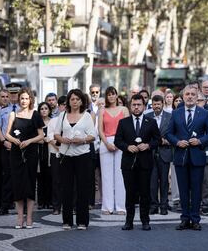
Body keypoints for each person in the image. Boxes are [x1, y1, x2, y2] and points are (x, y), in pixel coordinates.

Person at [166, 85, 208, 231]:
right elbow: (168, 133)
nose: (190, 97)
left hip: (197, 156)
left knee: (196, 189)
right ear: (183, 96)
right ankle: (184, 219)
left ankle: (195, 219)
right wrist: (177, 142)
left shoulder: (204, 113)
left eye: (193, 94)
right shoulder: (176, 113)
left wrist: (200, 141)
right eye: (187, 94)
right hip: (181, 157)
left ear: (197, 97)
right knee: (183, 189)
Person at [114, 94, 161, 230]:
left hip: (145, 162)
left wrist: (148, 145)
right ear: (130, 106)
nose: (136, 107)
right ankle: (129, 221)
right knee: (130, 193)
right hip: (128, 163)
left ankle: (145, 221)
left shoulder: (151, 122)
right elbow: (118, 140)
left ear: (144, 106)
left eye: (139, 105)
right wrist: (127, 147)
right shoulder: (124, 122)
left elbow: (157, 139)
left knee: (145, 193)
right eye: (134, 105)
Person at [54, 89, 96, 230]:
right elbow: (56, 134)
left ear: (82, 101)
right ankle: (66, 221)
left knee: (82, 188)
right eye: (72, 99)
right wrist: (62, 139)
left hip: (82, 156)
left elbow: (92, 136)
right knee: (67, 188)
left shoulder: (87, 116)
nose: (75, 101)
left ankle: (82, 221)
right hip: (66, 155)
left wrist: (82, 140)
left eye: (78, 99)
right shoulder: (62, 115)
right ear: (68, 101)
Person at [4, 88, 44, 228]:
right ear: (18, 99)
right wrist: (14, 140)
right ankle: (20, 218)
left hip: (31, 153)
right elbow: (6, 134)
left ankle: (29, 219)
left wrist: (29, 141)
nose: (24, 101)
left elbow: (41, 136)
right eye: (22, 98)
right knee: (18, 185)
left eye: (26, 98)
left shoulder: (36, 114)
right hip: (16, 154)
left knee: (30, 184)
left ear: (30, 99)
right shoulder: (13, 114)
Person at [98, 87, 130, 215]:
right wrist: (106, 143)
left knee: (120, 176)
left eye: (113, 94)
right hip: (105, 142)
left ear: (117, 96)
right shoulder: (102, 110)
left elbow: (128, 128)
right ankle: (107, 207)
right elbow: (100, 130)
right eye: (108, 95)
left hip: (121, 143)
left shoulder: (124, 110)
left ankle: (121, 207)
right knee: (106, 177)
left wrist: (119, 143)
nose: (111, 97)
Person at [0, 82, 21, 215]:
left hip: (22, 147)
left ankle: (22, 206)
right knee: (7, 176)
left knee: (22, 176)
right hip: (7, 147)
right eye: (12, 93)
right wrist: (4, 141)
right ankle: (5, 205)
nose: (14, 95)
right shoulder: (4, 110)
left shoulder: (26, 110)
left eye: (16, 93)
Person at [146, 95, 172, 215]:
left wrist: (167, 141)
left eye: (158, 104)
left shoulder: (170, 117)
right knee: (152, 182)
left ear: (162, 104)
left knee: (164, 182)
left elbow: (173, 133)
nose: (156, 106)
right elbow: (144, 135)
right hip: (150, 153)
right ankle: (153, 205)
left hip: (165, 152)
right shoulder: (147, 117)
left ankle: (164, 206)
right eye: (154, 104)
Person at [46, 95, 67, 215]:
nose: (64, 107)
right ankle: (56, 206)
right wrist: (59, 146)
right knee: (56, 181)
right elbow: (49, 136)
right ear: (58, 107)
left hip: (69, 153)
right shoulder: (53, 121)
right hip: (55, 153)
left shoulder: (71, 120)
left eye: (66, 104)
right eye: (62, 105)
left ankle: (70, 205)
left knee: (69, 181)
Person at [37, 102, 52, 210]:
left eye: (46, 108)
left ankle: (50, 201)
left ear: (49, 110)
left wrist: (48, 139)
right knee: (40, 178)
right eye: (41, 108)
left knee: (50, 177)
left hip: (50, 152)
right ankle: (41, 202)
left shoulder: (53, 122)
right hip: (39, 153)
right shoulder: (36, 123)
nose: (44, 110)